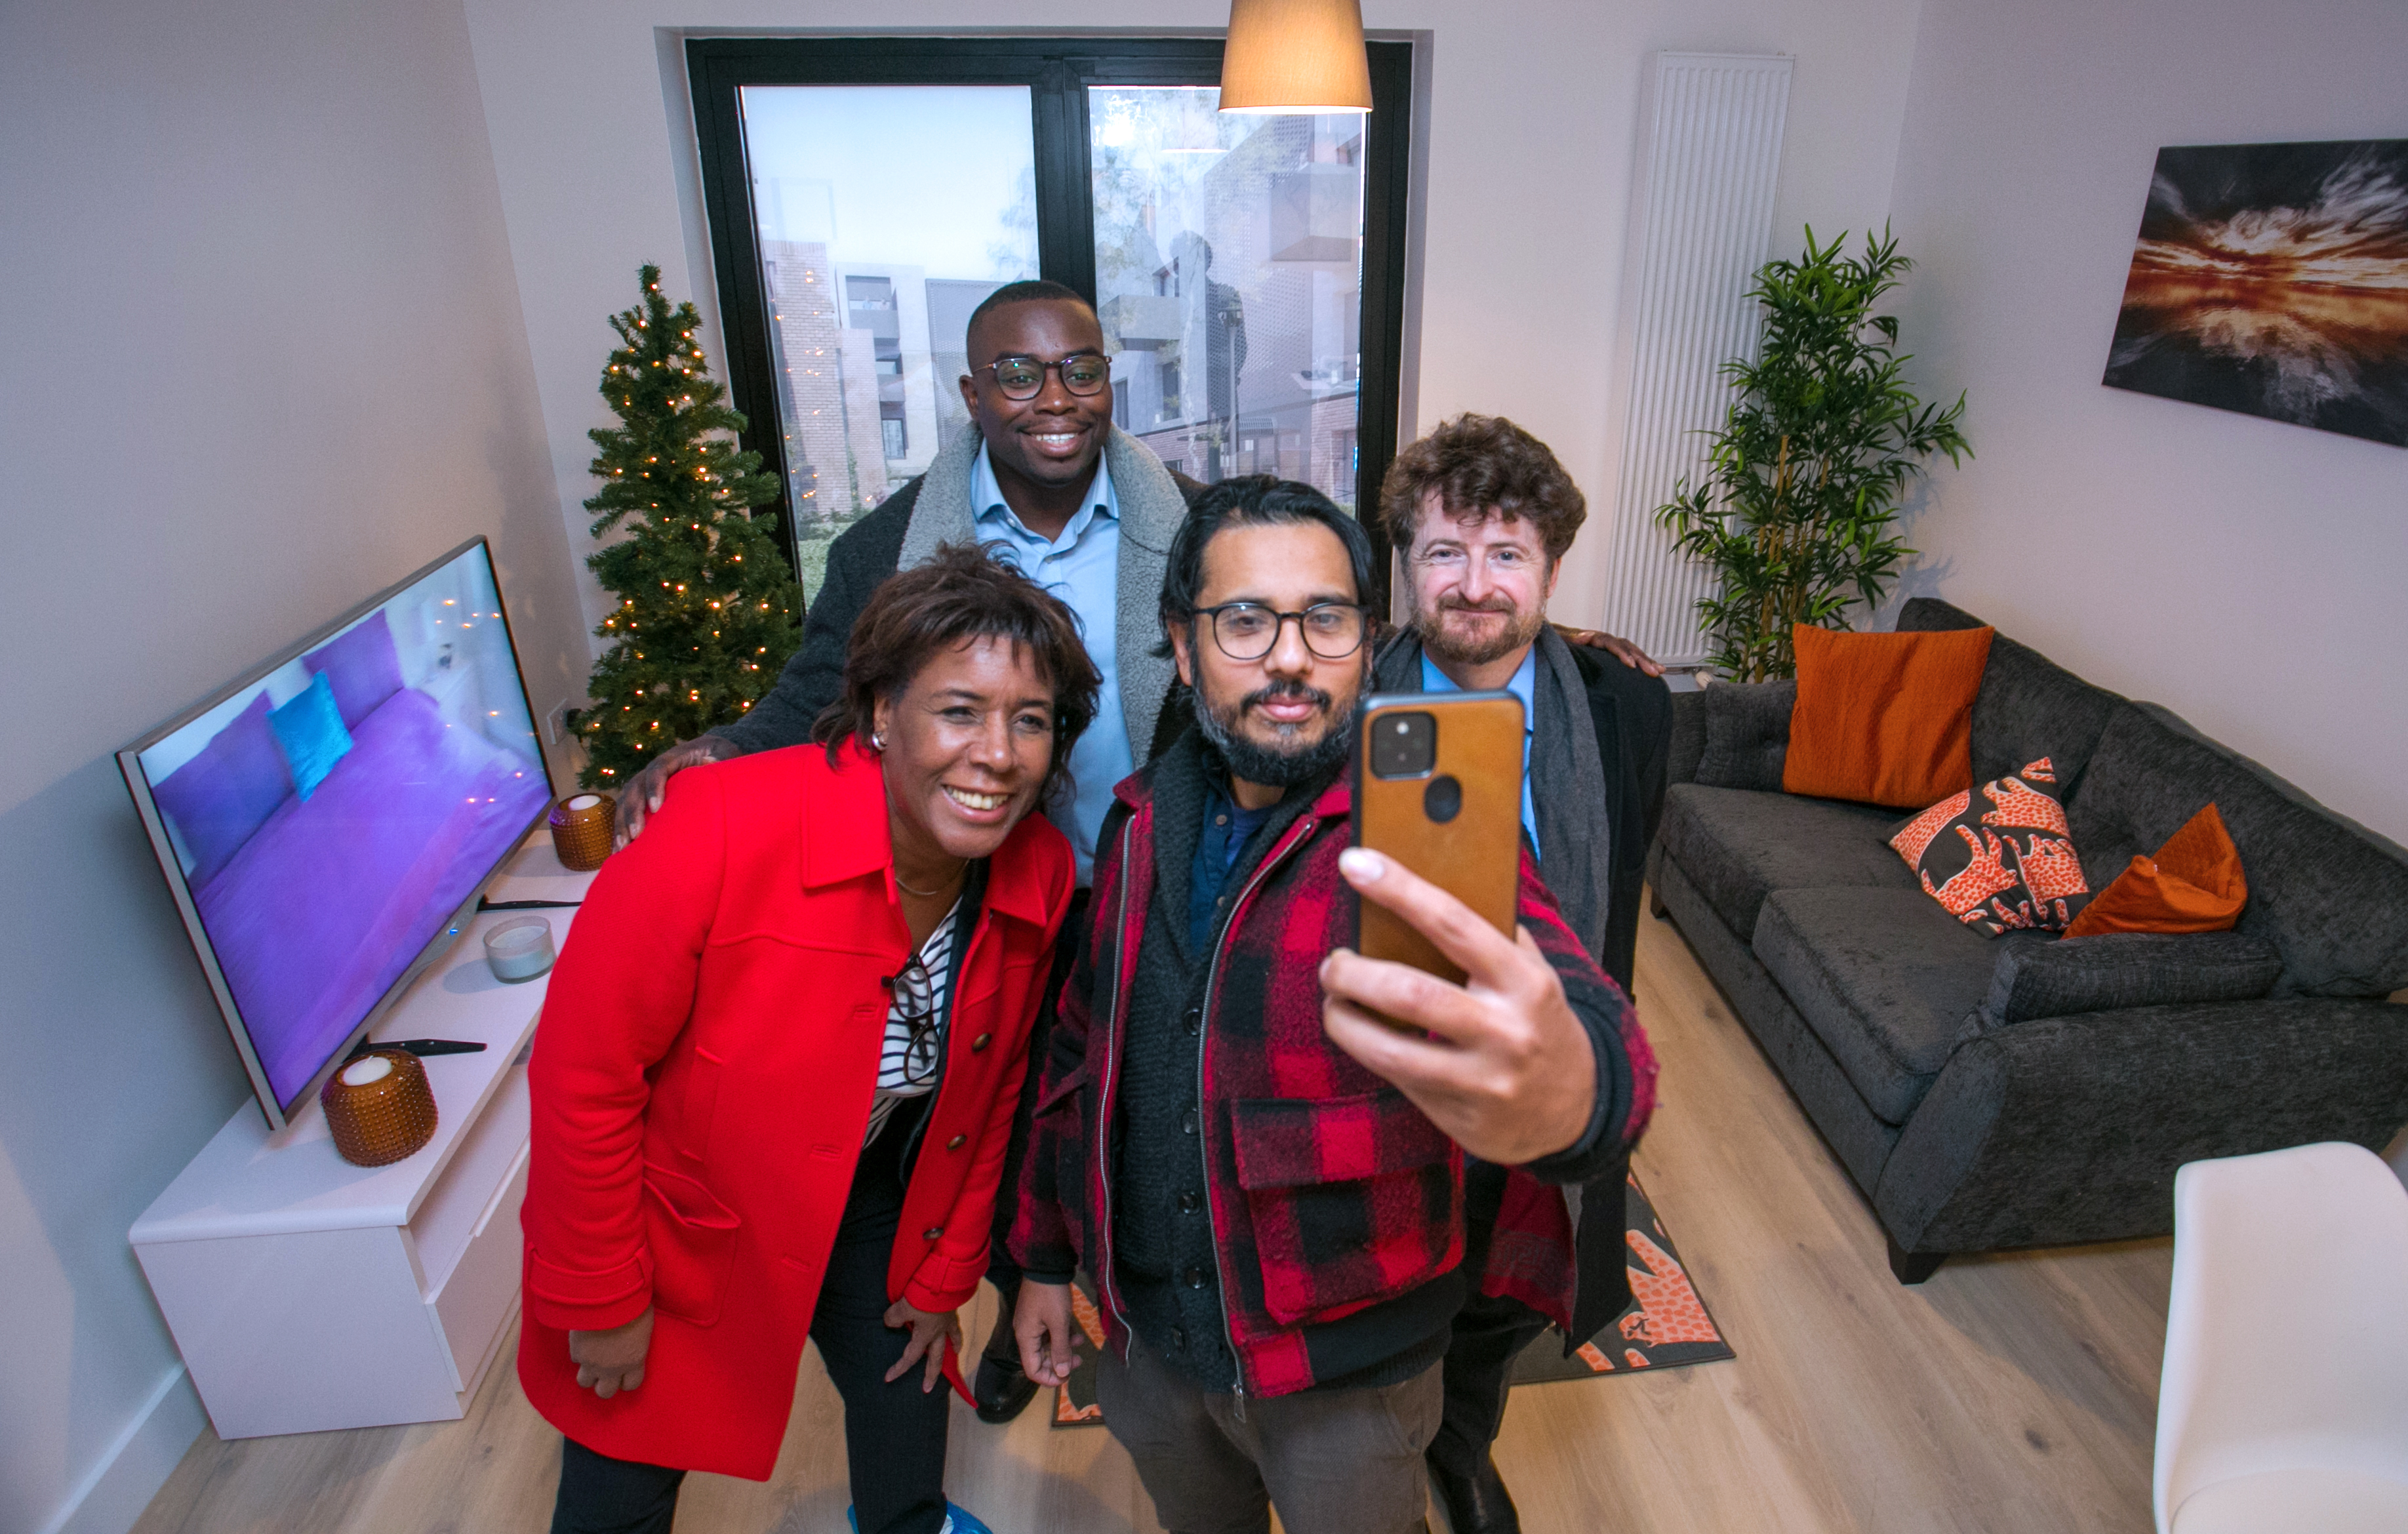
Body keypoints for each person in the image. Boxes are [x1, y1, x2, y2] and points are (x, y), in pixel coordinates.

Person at [1010, 477, 1657, 1534]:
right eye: (1245, 621)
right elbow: (1080, 1056)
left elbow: (1570, 998)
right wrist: (1042, 1260)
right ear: (1183, 647)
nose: (1291, 657)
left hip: (1347, 1377)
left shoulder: (1422, 832)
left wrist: (1575, 1088)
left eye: (1326, 618)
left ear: (1367, 640)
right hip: (1150, 1349)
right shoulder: (1134, 829)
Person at [517, 545, 1100, 1534]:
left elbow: (990, 1091)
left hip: (875, 1193)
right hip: (685, 1221)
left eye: (1030, 721)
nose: (998, 753)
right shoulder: (708, 826)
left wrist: (944, 1271)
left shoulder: (1036, 867)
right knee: (620, 1486)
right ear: (880, 712)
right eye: (960, 710)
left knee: (907, 1400)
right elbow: (585, 1078)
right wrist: (602, 1299)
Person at [1371, 413, 1676, 1534]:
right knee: (1403, 1284)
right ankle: (1385, 1451)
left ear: (1551, 566)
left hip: (1546, 1056)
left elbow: (1621, 885)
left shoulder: (1626, 707)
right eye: (1445, 552)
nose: (1476, 585)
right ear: (1405, 564)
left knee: (1508, 1289)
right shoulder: (1349, 701)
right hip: (1396, 1064)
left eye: (1508, 554)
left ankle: (1463, 1443)